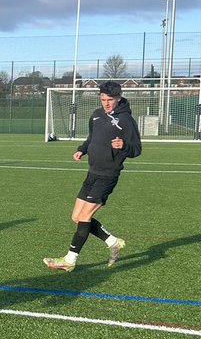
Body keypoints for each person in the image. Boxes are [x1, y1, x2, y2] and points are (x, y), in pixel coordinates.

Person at [44, 81, 142, 272]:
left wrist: (124, 146)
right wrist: (82, 150)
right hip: (92, 173)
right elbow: (91, 138)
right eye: (103, 99)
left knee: (85, 216)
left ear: (119, 98)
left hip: (108, 175)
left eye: (110, 100)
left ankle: (70, 260)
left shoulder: (126, 120)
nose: (106, 103)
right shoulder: (96, 115)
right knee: (76, 217)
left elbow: (137, 149)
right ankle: (114, 242)